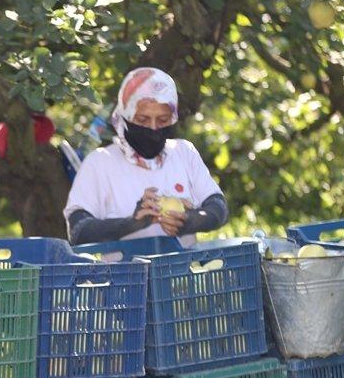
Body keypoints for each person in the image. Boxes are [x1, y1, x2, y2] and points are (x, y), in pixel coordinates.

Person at [64, 67, 228, 248]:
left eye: (163, 120)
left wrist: (189, 221)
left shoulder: (183, 153)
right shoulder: (100, 163)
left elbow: (218, 207)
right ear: (125, 117)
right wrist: (132, 224)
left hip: (181, 274)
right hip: (122, 275)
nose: (153, 128)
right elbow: (78, 230)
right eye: (142, 120)